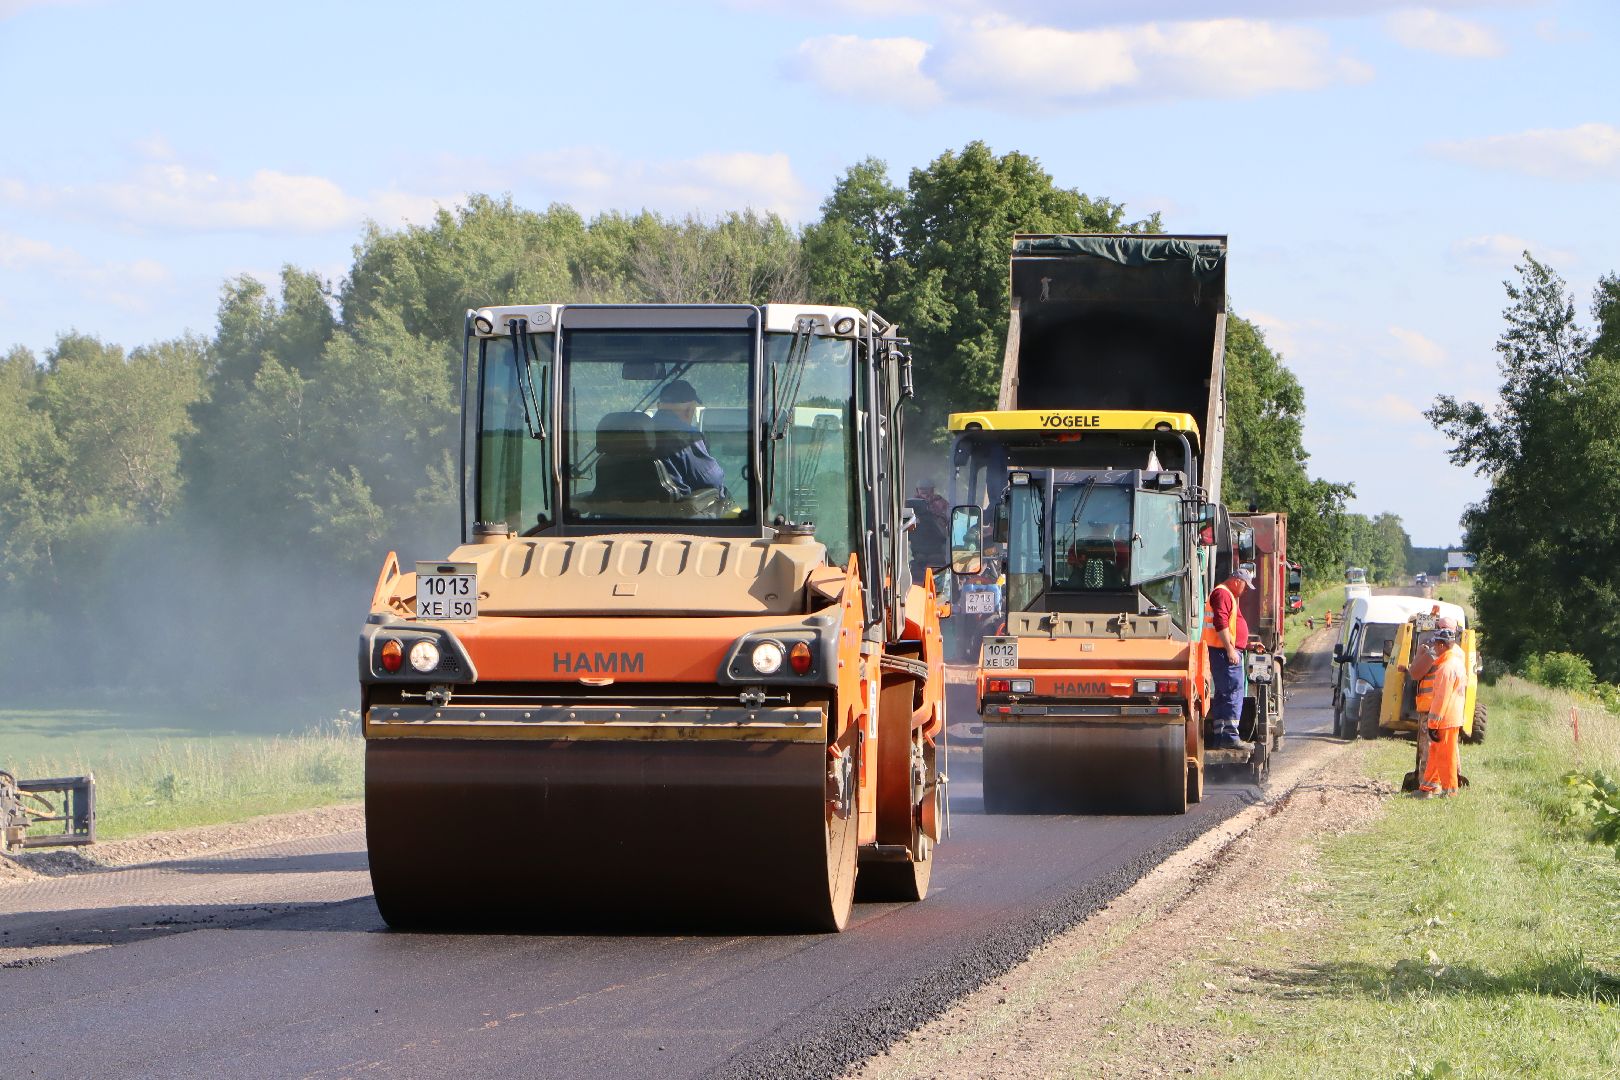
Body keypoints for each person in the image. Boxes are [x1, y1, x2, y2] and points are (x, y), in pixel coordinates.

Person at [1203, 566, 1256, 749]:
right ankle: (1230, 736)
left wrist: (1245, 645)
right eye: (1245, 585)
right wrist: (1230, 650)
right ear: (1236, 581)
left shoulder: (1226, 594)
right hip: (1223, 653)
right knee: (1233, 692)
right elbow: (1221, 623)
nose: (1246, 590)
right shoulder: (1223, 594)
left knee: (1223, 694)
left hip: (1223, 651)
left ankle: (1221, 736)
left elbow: (1230, 628)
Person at [1413, 625, 1468, 797]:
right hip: (1451, 717)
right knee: (1436, 753)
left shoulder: (1445, 668)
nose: (1434, 648)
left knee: (1446, 756)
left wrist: (1433, 723)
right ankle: (1427, 788)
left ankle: (1450, 791)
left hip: (1445, 719)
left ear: (1442, 645)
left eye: (1436, 644)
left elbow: (1440, 699)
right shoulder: (1456, 663)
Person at [651, 379, 726, 499]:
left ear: (659, 406)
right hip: (676, 509)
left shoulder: (636, 435)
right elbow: (713, 481)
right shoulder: (687, 437)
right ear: (689, 409)